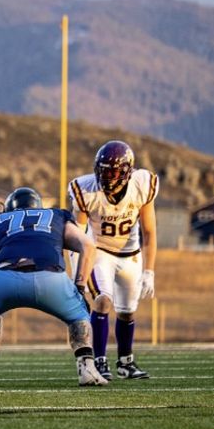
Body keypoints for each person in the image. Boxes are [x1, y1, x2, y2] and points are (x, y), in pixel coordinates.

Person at [0, 187, 104, 387]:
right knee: (79, 315)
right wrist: (79, 287)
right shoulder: (56, 215)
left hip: (5, 275)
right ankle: (87, 369)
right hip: (50, 276)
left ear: (8, 208)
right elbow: (88, 246)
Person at [68, 140, 157, 380]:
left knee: (127, 312)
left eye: (114, 171)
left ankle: (126, 363)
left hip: (131, 254)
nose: (108, 177)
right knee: (102, 301)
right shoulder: (86, 190)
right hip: (100, 253)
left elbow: (149, 232)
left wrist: (149, 270)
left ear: (128, 171)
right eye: (104, 170)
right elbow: (77, 236)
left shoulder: (142, 185)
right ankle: (99, 360)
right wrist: (79, 276)